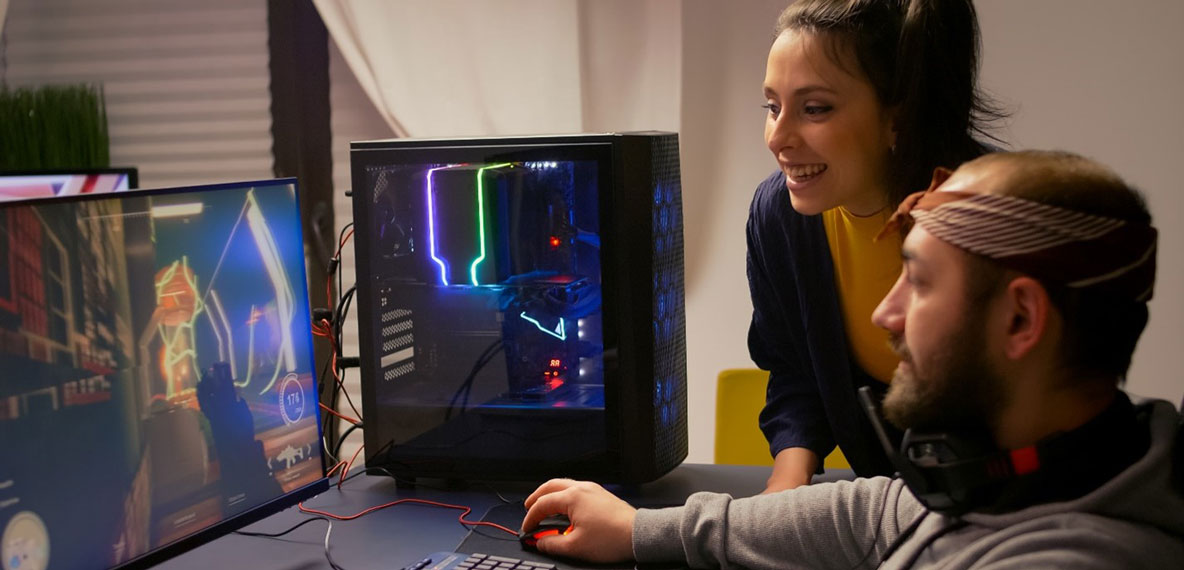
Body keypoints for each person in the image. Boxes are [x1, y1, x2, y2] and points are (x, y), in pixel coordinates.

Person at [521, 151, 1184, 568]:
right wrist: (640, 530)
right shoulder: (1017, 476)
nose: (884, 315)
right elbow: (862, 514)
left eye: (919, 283)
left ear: (1019, 318)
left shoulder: (1081, 553)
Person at [750, 0, 1005, 492]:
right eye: (772, 107)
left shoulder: (991, 211)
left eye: (814, 108)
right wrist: (787, 482)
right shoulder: (778, 216)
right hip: (881, 504)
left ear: (897, 117)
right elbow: (793, 370)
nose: (777, 137)